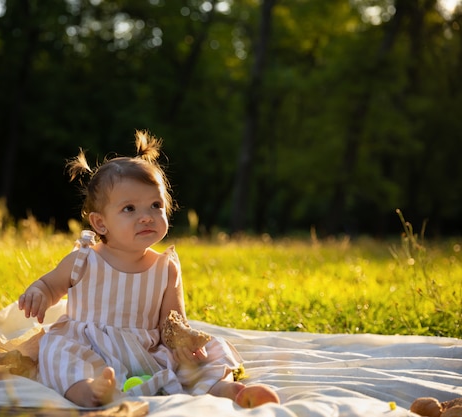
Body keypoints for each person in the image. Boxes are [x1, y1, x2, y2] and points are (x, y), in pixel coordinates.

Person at [18, 130, 279, 408]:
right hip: (89, 346)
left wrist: (181, 342)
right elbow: (50, 285)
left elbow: (173, 320)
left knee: (209, 350)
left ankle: (227, 389)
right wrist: (39, 293)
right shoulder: (83, 260)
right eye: (129, 209)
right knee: (56, 350)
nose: (146, 216)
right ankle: (90, 391)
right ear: (100, 223)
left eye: (156, 205)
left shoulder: (165, 267)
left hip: (147, 350)